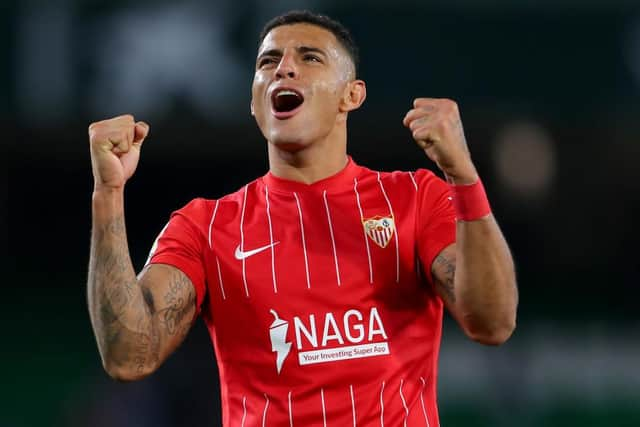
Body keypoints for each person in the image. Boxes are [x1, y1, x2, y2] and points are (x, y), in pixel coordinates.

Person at [87, 10, 517, 426]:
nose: (284, 69)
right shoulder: (204, 226)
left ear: (352, 95)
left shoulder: (416, 199)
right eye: (268, 62)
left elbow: (493, 321)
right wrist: (108, 195)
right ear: (254, 103)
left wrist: (463, 177)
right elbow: (129, 355)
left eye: (310, 57)